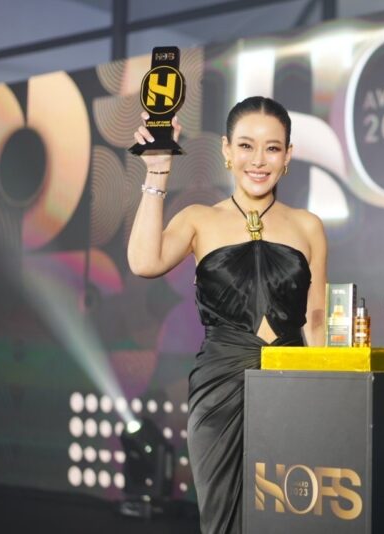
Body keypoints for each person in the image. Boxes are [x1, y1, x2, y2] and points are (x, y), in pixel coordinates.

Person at [127, 96, 327, 533]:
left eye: (272, 148)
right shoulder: (199, 219)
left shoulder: (308, 225)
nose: (258, 160)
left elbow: (316, 321)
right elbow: (143, 262)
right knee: (223, 521)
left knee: (292, 518)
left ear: (288, 156)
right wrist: (157, 171)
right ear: (226, 150)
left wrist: (328, 398)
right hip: (220, 388)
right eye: (246, 146)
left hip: (293, 385)